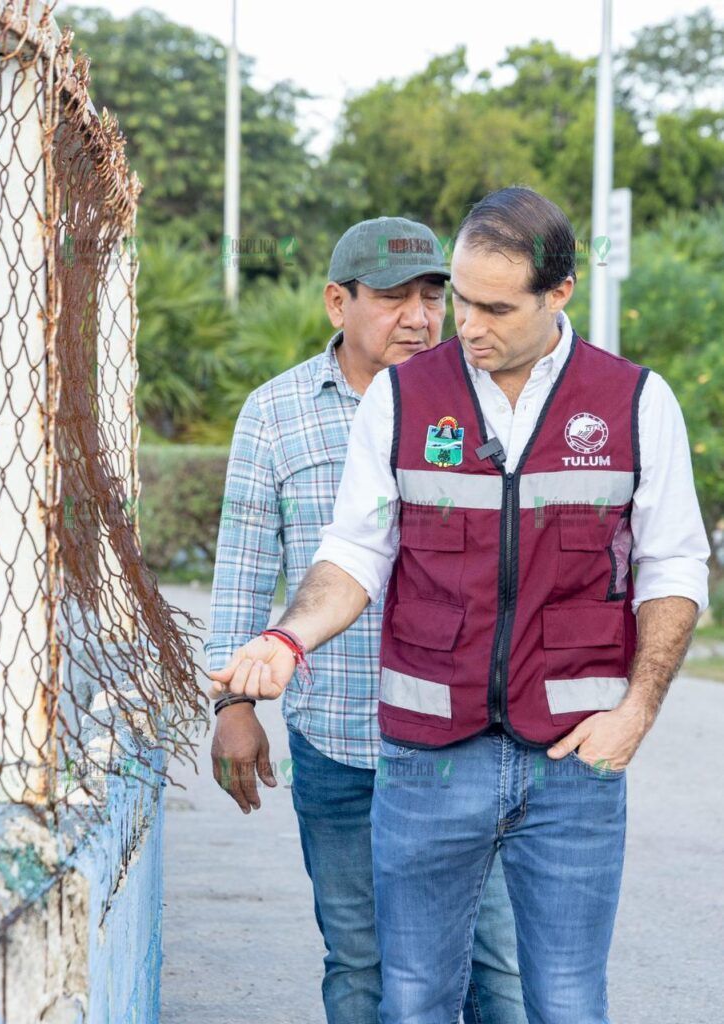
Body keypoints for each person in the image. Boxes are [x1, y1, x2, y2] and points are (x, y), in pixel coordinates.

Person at [210, 188, 710, 1024]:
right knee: (408, 999)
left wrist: (638, 711)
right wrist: (286, 642)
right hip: (425, 754)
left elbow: (674, 566)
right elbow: (354, 550)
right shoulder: (402, 400)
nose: (465, 325)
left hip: (574, 757)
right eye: (464, 301)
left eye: (491, 307)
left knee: (564, 1000)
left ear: (560, 294)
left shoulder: (635, 402)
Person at [206, 216, 528, 1024]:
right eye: (392, 298)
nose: (419, 318)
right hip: (338, 742)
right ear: (336, 303)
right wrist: (233, 705)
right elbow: (244, 568)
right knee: (360, 960)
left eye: (431, 296)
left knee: (497, 967)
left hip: (467, 745)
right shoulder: (275, 414)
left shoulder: (489, 401)